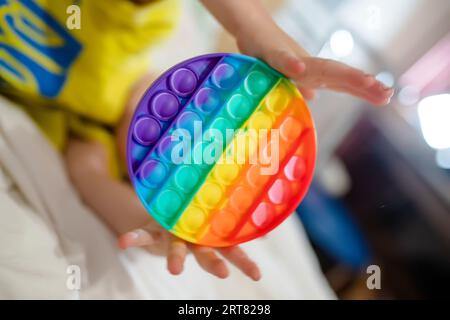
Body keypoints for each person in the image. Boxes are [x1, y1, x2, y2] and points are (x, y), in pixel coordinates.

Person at [0, 0, 394, 282]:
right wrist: (251, 25)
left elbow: (96, 187)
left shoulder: (86, 142)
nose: (176, 141)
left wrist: (166, 231)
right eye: (193, 131)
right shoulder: (130, 27)